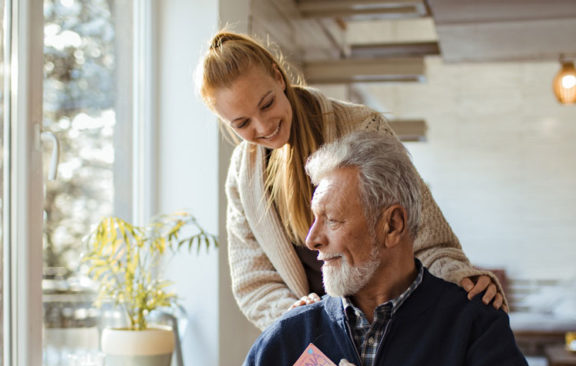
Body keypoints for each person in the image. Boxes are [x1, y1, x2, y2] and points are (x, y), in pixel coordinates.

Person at [190, 131, 546, 366]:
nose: (312, 238)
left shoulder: (473, 324)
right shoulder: (290, 334)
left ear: (392, 225)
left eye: (331, 219)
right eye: (314, 219)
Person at [196, 30, 507, 330]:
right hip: (314, 335)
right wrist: (293, 317)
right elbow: (254, 281)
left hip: (393, 320)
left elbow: (422, 231)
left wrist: (460, 276)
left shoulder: (362, 126)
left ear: (279, 77)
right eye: (242, 123)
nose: (263, 126)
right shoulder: (242, 175)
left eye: (267, 104)